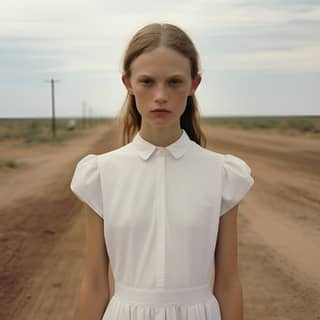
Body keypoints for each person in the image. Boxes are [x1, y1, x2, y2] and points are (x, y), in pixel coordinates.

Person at [70, 22, 254, 320]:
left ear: (194, 84)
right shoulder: (101, 174)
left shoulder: (222, 173)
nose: (160, 95)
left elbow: (229, 283)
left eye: (174, 82)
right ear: (127, 83)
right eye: (147, 82)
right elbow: (94, 284)